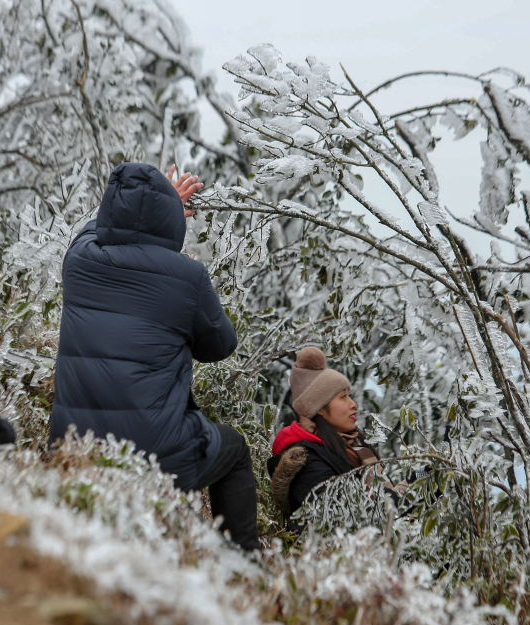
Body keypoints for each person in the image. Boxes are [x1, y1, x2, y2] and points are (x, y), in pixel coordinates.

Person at [49, 162, 260, 551]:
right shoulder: (187, 277)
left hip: (73, 448)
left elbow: (95, 227)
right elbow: (221, 345)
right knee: (235, 449)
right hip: (155, 455)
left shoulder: (78, 259)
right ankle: (245, 571)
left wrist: (154, 208)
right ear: (170, 219)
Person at [267, 347, 408, 520]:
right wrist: (411, 488)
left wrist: (422, 481)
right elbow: (355, 518)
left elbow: (384, 506)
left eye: (350, 396)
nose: (353, 404)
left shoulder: (352, 447)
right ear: (318, 408)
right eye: (343, 397)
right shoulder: (306, 464)